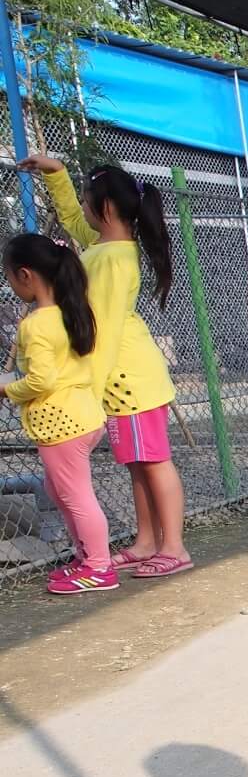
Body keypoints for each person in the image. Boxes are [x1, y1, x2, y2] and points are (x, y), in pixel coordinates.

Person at [20, 154, 187, 578]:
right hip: (119, 382)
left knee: (154, 462)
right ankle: (148, 540)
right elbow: (77, 223)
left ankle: (174, 546)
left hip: (130, 380)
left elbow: (107, 331)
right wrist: (57, 174)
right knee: (137, 463)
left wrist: (88, 392)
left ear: (106, 209)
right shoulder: (104, 247)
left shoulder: (113, 260)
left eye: (88, 200)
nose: (84, 210)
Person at [3, 233, 111, 593]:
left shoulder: (36, 324)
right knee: (60, 489)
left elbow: (41, 379)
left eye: (9, 278)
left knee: (76, 495)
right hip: (83, 417)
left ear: (26, 275)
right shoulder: (71, 309)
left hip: (60, 424)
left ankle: (98, 566)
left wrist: (7, 389)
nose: (11, 285)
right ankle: (86, 559)